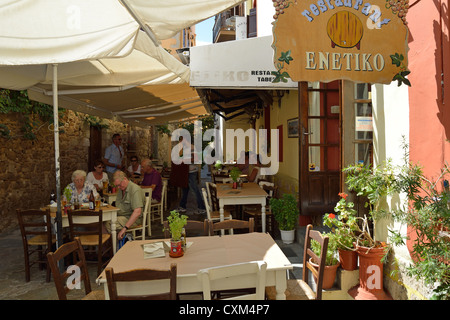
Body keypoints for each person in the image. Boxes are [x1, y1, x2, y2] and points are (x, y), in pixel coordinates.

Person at [105, 171, 144, 240]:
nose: (118, 187)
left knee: (109, 223)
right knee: (104, 219)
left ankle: (113, 246)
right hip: (121, 215)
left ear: (125, 179)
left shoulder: (135, 189)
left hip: (131, 218)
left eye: (119, 185)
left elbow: (137, 212)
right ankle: (111, 245)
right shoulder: (121, 189)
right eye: (117, 186)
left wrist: (124, 228)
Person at [175, 136, 205, 214]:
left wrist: (184, 160)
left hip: (191, 172)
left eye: (181, 141)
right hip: (186, 172)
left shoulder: (191, 147)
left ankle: (202, 208)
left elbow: (196, 159)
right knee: (185, 189)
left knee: (194, 189)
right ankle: (182, 206)